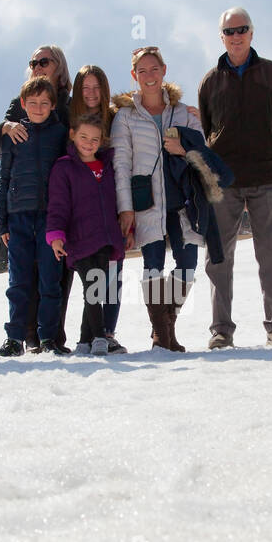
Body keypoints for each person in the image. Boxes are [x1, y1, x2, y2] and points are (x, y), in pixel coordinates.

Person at [198, 7, 272, 349]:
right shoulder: (210, 82)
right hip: (223, 184)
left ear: (252, 33)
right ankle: (221, 329)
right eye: (229, 31)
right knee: (218, 257)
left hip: (267, 176)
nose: (236, 36)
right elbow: (210, 132)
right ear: (221, 37)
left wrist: (265, 152)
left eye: (242, 29)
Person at [112, 46, 204, 351]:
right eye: (142, 71)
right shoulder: (125, 117)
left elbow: (203, 149)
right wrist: (125, 208)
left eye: (154, 69)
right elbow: (121, 163)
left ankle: (167, 327)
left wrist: (198, 126)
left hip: (181, 200)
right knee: (153, 265)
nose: (149, 76)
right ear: (134, 76)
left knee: (188, 263)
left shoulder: (182, 112)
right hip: (145, 201)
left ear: (164, 71)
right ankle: (162, 336)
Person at [0, 45, 73, 351]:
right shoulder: (14, 135)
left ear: (53, 105)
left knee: (51, 281)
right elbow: (4, 179)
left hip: (51, 219)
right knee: (18, 282)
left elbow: (67, 179)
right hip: (19, 218)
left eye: (44, 103)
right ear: (23, 104)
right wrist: (2, 222)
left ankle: (49, 338)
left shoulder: (60, 136)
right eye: (33, 103)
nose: (38, 107)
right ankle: (13, 338)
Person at [45, 114, 128, 355]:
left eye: (94, 139)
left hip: (104, 237)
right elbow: (58, 205)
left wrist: (126, 228)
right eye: (83, 137)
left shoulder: (107, 166)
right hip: (78, 239)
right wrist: (56, 234)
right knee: (92, 284)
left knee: (95, 287)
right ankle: (99, 337)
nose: (89, 143)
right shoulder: (64, 167)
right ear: (72, 135)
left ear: (101, 141)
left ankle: (83, 341)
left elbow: (117, 200)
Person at [67, 65, 126, 353]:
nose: (91, 93)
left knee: (111, 277)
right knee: (90, 278)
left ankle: (106, 334)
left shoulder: (116, 119)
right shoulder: (68, 119)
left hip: (112, 210)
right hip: (80, 217)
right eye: (85, 87)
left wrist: (127, 209)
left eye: (96, 87)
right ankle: (89, 336)